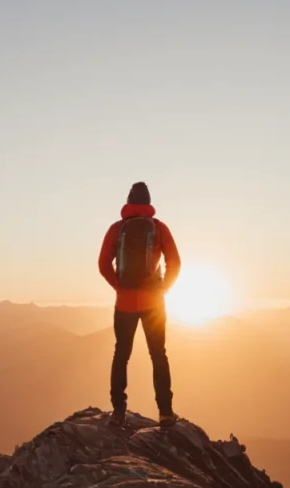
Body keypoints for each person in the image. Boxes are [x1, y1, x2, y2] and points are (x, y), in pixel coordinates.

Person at [98, 181, 181, 427]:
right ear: (148, 203)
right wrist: (163, 288)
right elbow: (175, 262)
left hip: (124, 305)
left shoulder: (116, 229)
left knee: (121, 354)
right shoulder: (158, 228)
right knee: (158, 355)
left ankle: (118, 412)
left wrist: (119, 287)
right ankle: (165, 413)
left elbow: (103, 264)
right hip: (153, 304)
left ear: (128, 201)